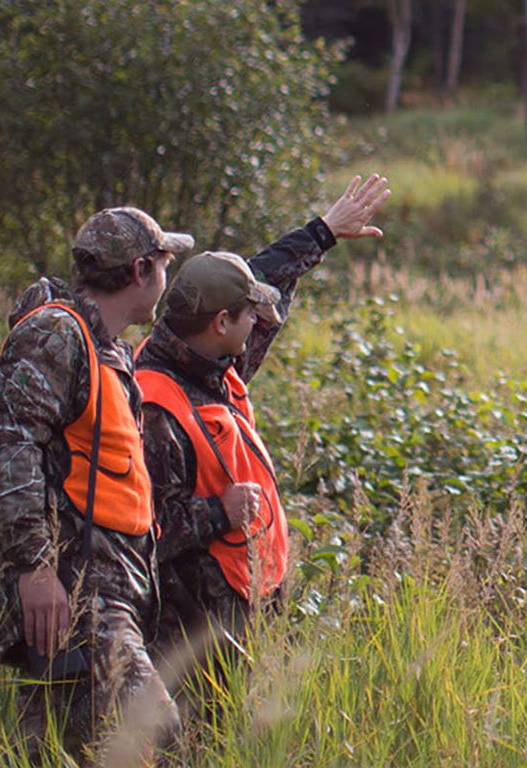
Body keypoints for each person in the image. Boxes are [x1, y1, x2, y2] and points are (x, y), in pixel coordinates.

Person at [135, 173, 390, 685]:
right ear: (220, 323)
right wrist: (218, 512)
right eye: (250, 314)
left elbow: (257, 276)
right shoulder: (155, 406)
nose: (263, 320)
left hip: (241, 608)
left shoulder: (208, 358)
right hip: (193, 636)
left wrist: (323, 233)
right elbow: (140, 534)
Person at [0, 207, 195, 765]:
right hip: (76, 589)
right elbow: (6, 446)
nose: (167, 276)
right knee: (159, 733)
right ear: (140, 270)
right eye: (165, 262)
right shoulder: (58, 334)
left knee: (66, 748)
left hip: (106, 590)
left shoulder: (105, 347)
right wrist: (36, 568)